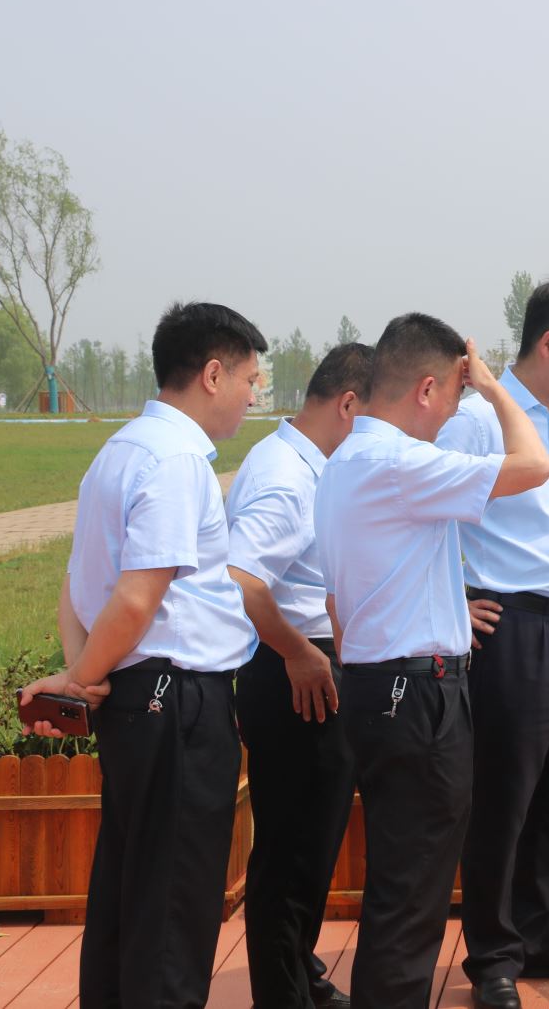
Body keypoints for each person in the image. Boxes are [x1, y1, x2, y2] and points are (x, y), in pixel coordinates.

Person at [19, 302, 268, 1008]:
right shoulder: (177, 460)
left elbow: (78, 586)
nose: (254, 396)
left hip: (138, 700)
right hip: (177, 702)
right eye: (250, 379)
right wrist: (82, 678)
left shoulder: (119, 451)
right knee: (172, 912)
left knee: (129, 898)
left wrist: (83, 674)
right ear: (213, 375)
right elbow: (134, 598)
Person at [313, 314, 549, 1009]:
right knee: (412, 895)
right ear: (425, 388)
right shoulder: (402, 464)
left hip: (375, 684)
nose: (454, 411)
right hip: (416, 699)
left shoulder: (343, 463)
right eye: (454, 393)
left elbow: (338, 603)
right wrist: (499, 390)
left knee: (399, 885)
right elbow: (535, 465)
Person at [436, 280, 549, 1008]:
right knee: (503, 799)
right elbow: (427, 510)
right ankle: (493, 958)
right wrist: (450, 595)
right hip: (510, 626)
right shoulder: (476, 421)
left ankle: (545, 935)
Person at [226, 342, 374, 1009]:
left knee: (313, 840)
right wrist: (296, 652)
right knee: (291, 851)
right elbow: (240, 578)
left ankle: (297, 967)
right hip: (292, 671)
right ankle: (282, 993)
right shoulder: (287, 476)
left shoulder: (304, 463)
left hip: (308, 664)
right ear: (349, 405)